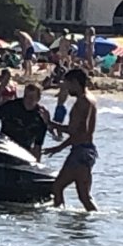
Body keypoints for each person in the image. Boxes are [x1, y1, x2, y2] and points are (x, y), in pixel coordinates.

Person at [44, 68, 98, 212]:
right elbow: (81, 133)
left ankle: (61, 221)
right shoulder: (90, 98)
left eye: (68, 85)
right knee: (84, 197)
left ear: (75, 83)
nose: (66, 89)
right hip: (87, 150)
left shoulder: (82, 102)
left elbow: (75, 131)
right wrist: (59, 147)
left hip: (80, 153)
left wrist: (50, 123)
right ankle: (87, 226)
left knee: (57, 187)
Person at [0, 83, 50, 161]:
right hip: (3, 146)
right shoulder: (10, 107)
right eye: (26, 96)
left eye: (32, 98)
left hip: (23, 151)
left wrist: (37, 165)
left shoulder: (41, 117)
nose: (28, 100)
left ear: (38, 99)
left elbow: (38, 146)